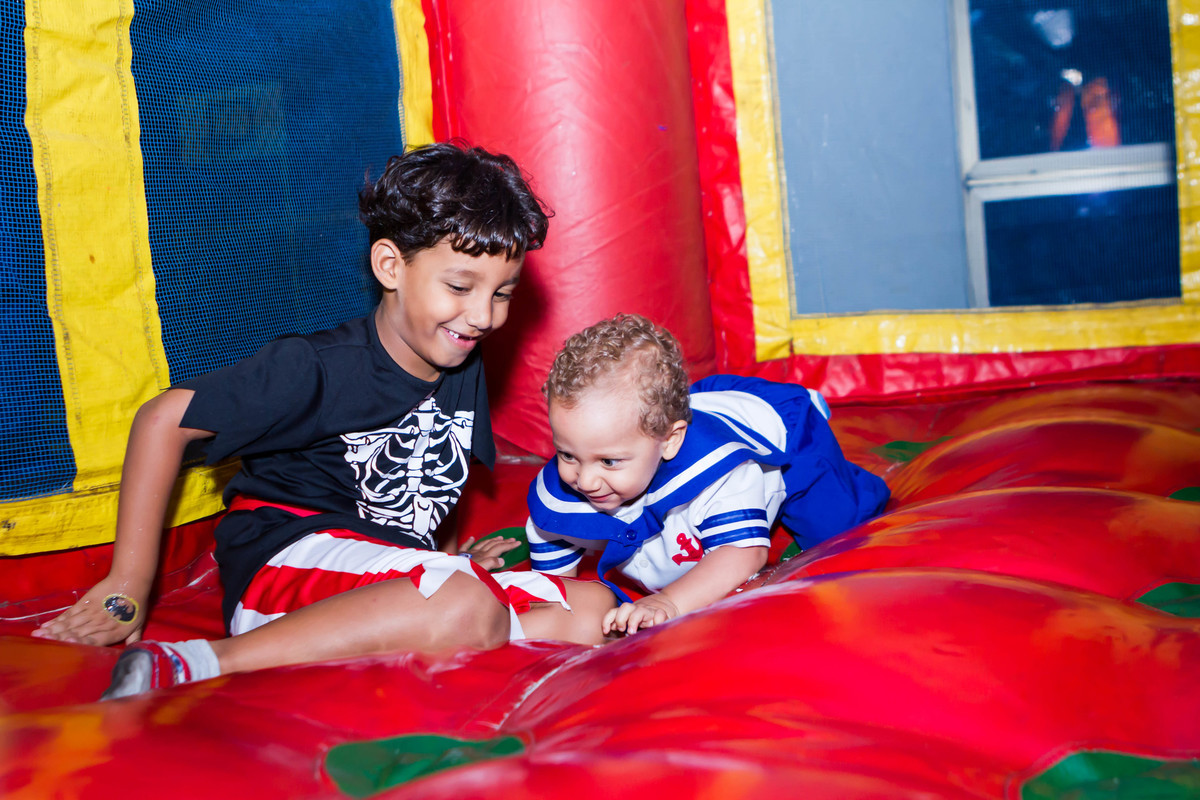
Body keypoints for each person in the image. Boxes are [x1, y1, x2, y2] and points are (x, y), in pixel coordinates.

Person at [33, 141, 608, 698]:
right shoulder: (318, 367)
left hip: (392, 573)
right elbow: (162, 419)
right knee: (462, 603)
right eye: (459, 287)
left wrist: (444, 556)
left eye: (502, 293)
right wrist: (127, 586)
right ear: (391, 266)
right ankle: (192, 665)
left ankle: (431, 619)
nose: (482, 316)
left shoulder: (459, 356)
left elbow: (436, 471)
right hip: (288, 563)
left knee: (593, 612)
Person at [525, 313, 890, 636]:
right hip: (669, 421)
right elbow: (555, 576)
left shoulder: (721, 476)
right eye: (567, 454)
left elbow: (742, 553)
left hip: (785, 438)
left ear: (669, 443)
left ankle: (854, 482)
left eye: (608, 462)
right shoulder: (571, 483)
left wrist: (667, 602)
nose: (584, 481)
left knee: (836, 533)